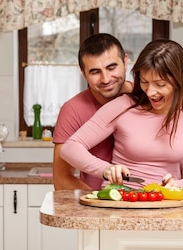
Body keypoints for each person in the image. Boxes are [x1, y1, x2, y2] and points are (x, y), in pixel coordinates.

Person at [60, 39, 183, 191]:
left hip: (165, 202)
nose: (150, 92)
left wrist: (179, 185)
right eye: (145, 82)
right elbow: (70, 148)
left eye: (160, 84)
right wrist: (105, 169)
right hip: (119, 202)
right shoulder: (123, 105)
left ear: (179, 80)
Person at [53, 33, 130, 190]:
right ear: (83, 73)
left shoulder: (147, 98)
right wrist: (99, 203)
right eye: (95, 72)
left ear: (125, 61)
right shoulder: (72, 110)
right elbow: (61, 179)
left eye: (112, 67)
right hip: (97, 207)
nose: (106, 79)